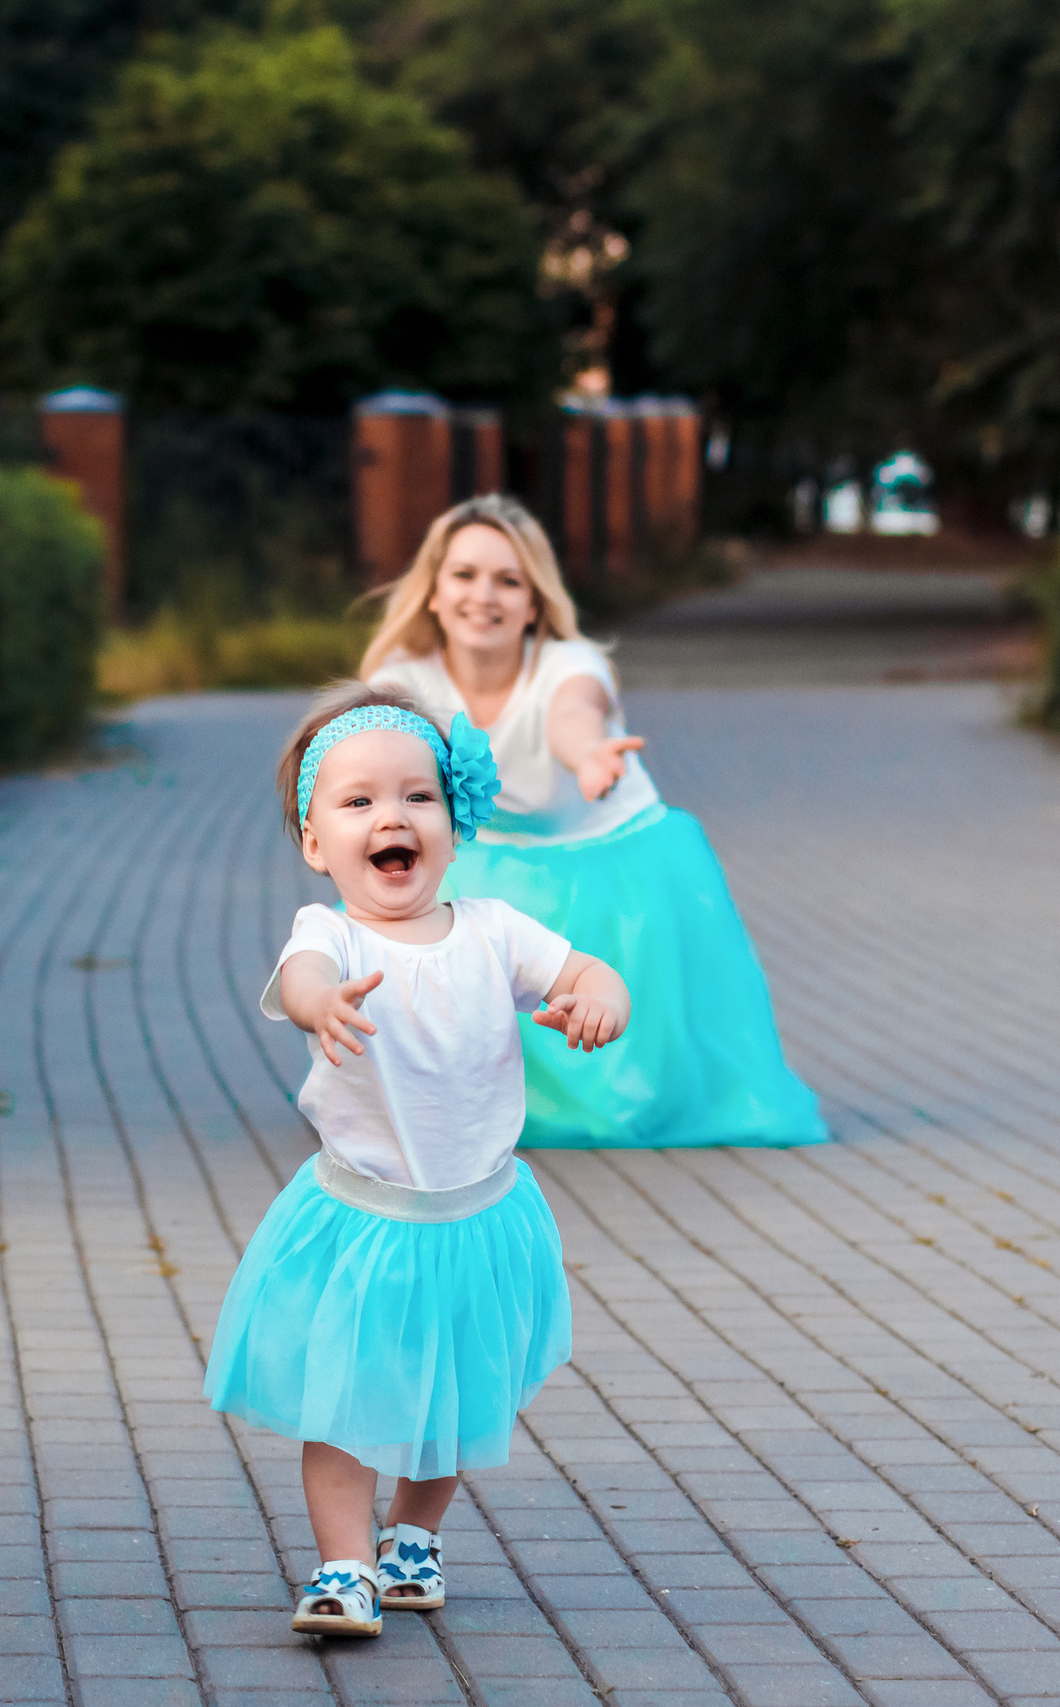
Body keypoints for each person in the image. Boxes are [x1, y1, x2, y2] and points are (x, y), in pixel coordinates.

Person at [201, 684, 631, 1637]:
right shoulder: (331, 934)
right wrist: (319, 1004)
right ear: (316, 842)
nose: (391, 817)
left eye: (417, 796)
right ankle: (344, 1565)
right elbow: (303, 979)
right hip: (365, 1221)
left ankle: (414, 1537)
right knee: (346, 1401)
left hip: (478, 1218)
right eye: (358, 801)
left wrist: (603, 997)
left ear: (454, 820)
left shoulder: (494, 930)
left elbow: (584, 969)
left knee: (453, 1398)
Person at [362, 494, 826, 1149]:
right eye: (464, 575)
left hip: (608, 856)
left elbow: (573, 714)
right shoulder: (401, 683)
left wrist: (589, 755)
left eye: (508, 580)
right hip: (485, 860)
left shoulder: (569, 664)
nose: (484, 595)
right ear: (434, 593)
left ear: (534, 603)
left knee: (620, 1096)